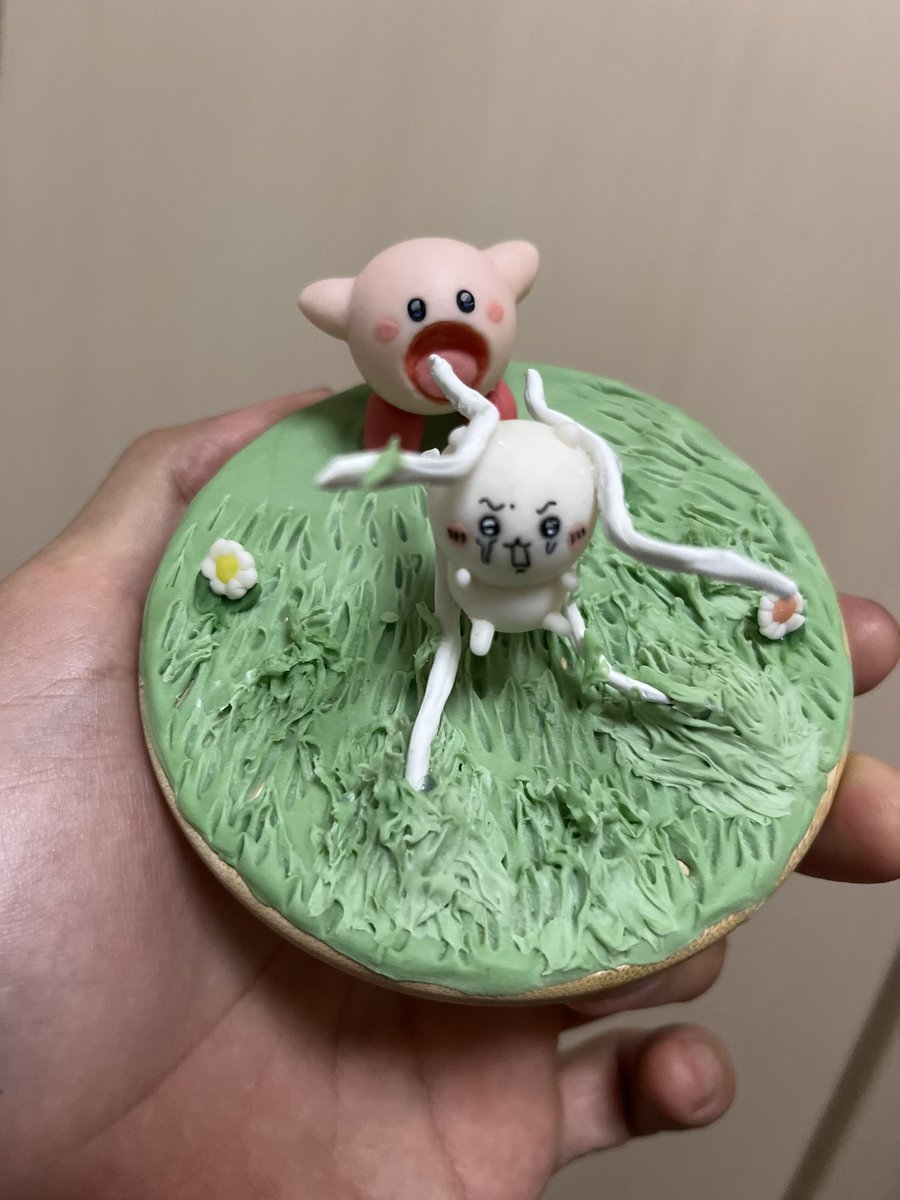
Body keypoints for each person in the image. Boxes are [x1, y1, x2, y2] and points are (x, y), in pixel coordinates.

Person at [2, 388, 898, 1200]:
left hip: (537, 619)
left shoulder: (550, 536)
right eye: (493, 526)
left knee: (569, 683)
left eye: (548, 528)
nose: (519, 541)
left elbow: (607, 550)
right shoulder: (457, 540)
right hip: (473, 621)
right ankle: (426, 757)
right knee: (438, 684)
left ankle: (597, 706)